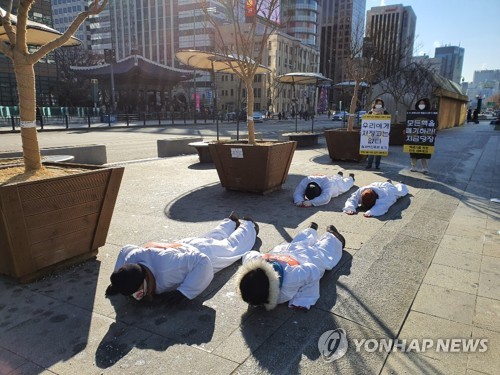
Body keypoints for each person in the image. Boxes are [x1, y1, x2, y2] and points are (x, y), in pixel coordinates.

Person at [105, 212, 258, 303]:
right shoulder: (131, 259)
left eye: (139, 294)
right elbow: (126, 249)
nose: (140, 298)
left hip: (202, 253)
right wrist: (117, 284)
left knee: (231, 247)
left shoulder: (169, 266)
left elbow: (202, 262)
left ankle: (249, 225)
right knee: (212, 237)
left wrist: (184, 292)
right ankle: (230, 221)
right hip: (182, 245)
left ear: (147, 278)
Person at [235, 222, 345, 310]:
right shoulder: (256, 260)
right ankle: (311, 231)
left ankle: (334, 238)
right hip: (286, 253)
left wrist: (303, 300)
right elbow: (248, 255)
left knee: (323, 252)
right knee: (300, 241)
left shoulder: (292, 279)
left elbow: (313, 271)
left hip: (307, 259)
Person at [343, 180, 409, 217]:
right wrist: (350, 208)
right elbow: (352, 199)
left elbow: (383, 206)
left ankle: (401, 183)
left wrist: (372, 212)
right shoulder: (361, 191)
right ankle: (388, 182)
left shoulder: (386, 195)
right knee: (387, 184)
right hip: (375, 185)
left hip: (388, 188)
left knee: (400, 192)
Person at [410, 98, 433, 173]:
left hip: (425, 135)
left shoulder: (430, 114)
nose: (421, 105)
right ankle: (414, 166)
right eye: (420, 103)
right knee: (414, 151)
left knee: (424, 152)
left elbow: (435, 123)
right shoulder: (413, 113)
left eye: (423, 103)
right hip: (415, 135)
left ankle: (425, 168)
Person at [366, 98, 389, 170]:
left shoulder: (385, 113)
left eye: (380, 104)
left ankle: (377, 165)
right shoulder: (370, 113)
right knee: (371, 151)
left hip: (381, 134)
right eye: (378, 103)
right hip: (372, 134)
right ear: (374, 104)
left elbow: (388, 123)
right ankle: (369, 164)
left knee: (379, 151)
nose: (379, 105)